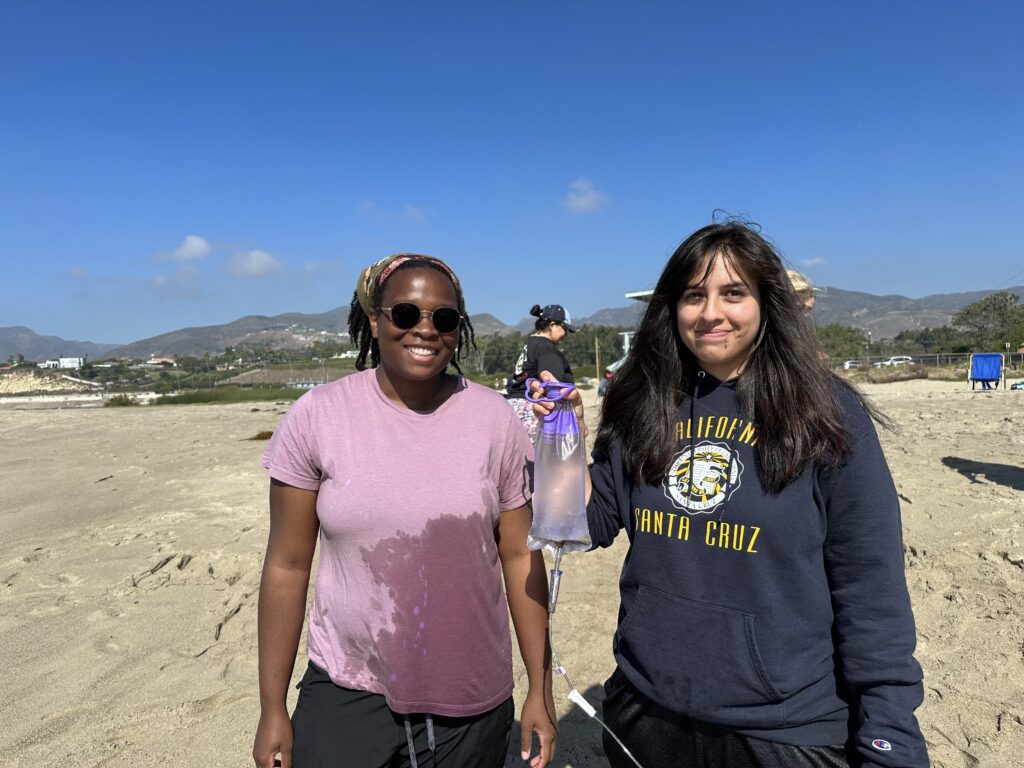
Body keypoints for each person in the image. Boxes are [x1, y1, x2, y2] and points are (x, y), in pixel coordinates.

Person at [533, 222, 929, 768]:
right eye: (694, 295)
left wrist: (889, 737)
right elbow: (585, 521)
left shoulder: (826, 412)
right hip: (648, 709)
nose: (711, 312)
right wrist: (564, 438)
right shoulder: (643, 402)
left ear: (768, 303)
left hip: (782, 728)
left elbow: (870, 586)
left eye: (733, 293)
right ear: (672, 307)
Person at [253, 254, 557, 768]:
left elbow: (520, 557)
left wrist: (540, 691)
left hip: (471, 696)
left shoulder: (494, 419)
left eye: (443, 318)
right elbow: (286, 565)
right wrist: (272, 708)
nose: (425, 329)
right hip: (347, 687)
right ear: (374, 319)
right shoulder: (317, 417)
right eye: (406, 313)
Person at [505, 304, 577, 441]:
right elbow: (553, 386)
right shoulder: (546, 348)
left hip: (513, 409)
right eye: (565, 329)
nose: (566, 334)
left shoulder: (530, 344)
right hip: (535, 411)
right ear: (552, 325)